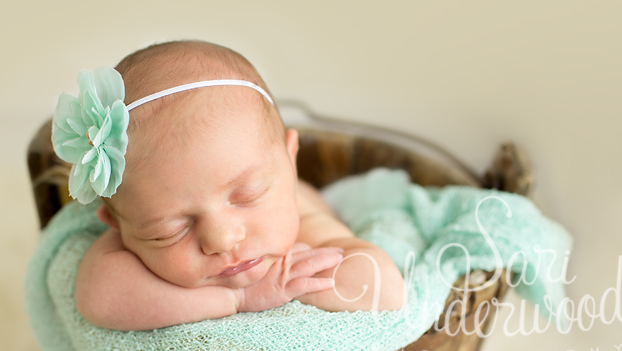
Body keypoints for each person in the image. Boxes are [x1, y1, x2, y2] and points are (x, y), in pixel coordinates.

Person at [53, 40, 406, 331]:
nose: (222, 240)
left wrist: (291, 284)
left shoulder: (307, 229)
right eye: (170, 231)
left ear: (290, 159)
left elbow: (386, 290)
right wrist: (237, 300)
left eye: (248, 195)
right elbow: (99, 297)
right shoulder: (137, 213)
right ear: (117, 224)